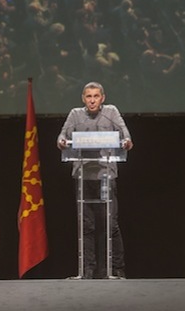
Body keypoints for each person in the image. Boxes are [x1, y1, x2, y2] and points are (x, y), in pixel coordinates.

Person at [57, 82, 133, 279]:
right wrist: (62, 142)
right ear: (83, 98)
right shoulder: (75, 114)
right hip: (83, 177)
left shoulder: (111, 112)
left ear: (102, 98)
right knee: (86, 225)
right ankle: (87, 271)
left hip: (105, 175)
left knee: (111, 224)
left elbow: (126, 137)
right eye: (89, 96)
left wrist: (126, 142)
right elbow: (61, 138)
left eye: (96, 96)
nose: (92, 100)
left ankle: (116, 270)